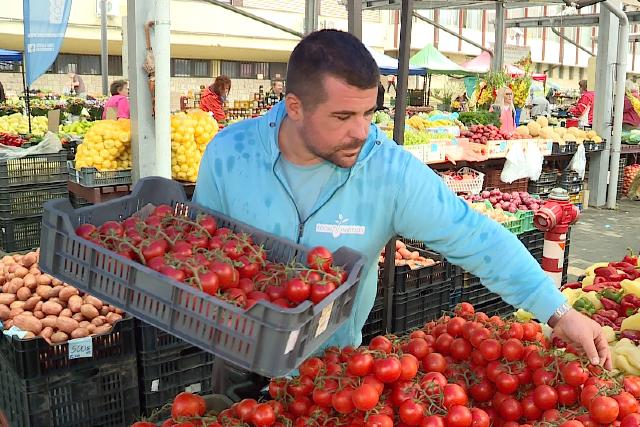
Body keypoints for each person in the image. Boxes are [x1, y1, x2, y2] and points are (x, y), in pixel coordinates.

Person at [194, 29, 611, 368]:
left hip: (336, 374)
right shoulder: (230, 154)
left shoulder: (388, 171)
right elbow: (199, 247)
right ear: (295, 107)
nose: (360, 131)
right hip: (237, 358)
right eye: (342, 117)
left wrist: (559, 312)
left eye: (368, 113)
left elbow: (476, 238)